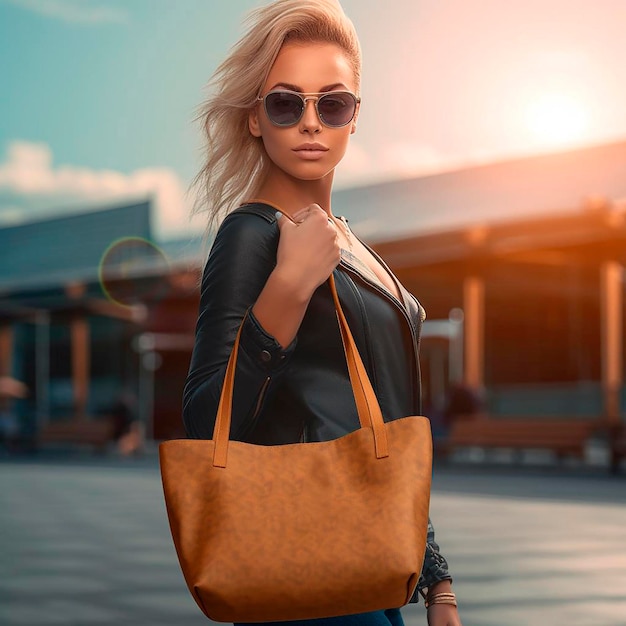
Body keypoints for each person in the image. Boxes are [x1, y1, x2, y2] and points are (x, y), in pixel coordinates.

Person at [183, 1, 462, 624]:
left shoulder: (354, 246)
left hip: (380, 566)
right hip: (305, 564)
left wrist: (437, 581)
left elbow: (388, 428)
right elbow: (207, 419)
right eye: (286, 103)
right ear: (256, 119)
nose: (311, 122)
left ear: (354, 117)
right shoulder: (252, 235)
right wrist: (287, 286)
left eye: (332, 104)